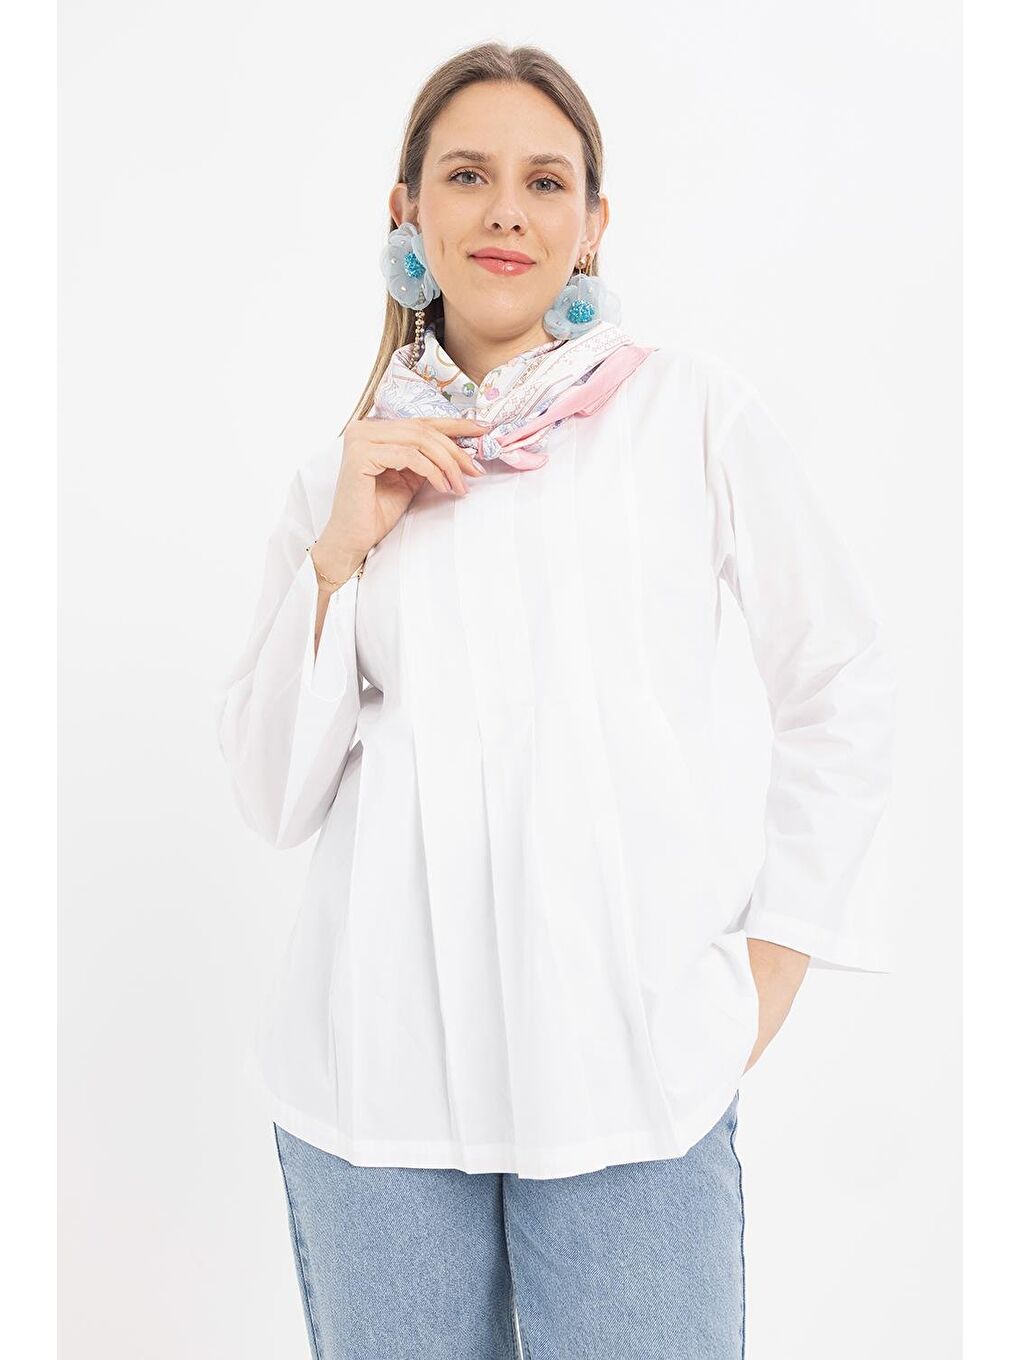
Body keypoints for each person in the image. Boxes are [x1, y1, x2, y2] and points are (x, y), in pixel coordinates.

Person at [216, 41, 897, 1360]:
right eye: (467, 175)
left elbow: (840, 678)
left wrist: (773, 960)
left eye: (545, 181)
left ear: (593, 224)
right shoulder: (341, 478)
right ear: (407, 211)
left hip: (629, 1081)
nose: (507, 212)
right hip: (377, 1097)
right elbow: (271, 795)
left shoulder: (690, 413)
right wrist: (340, 554)